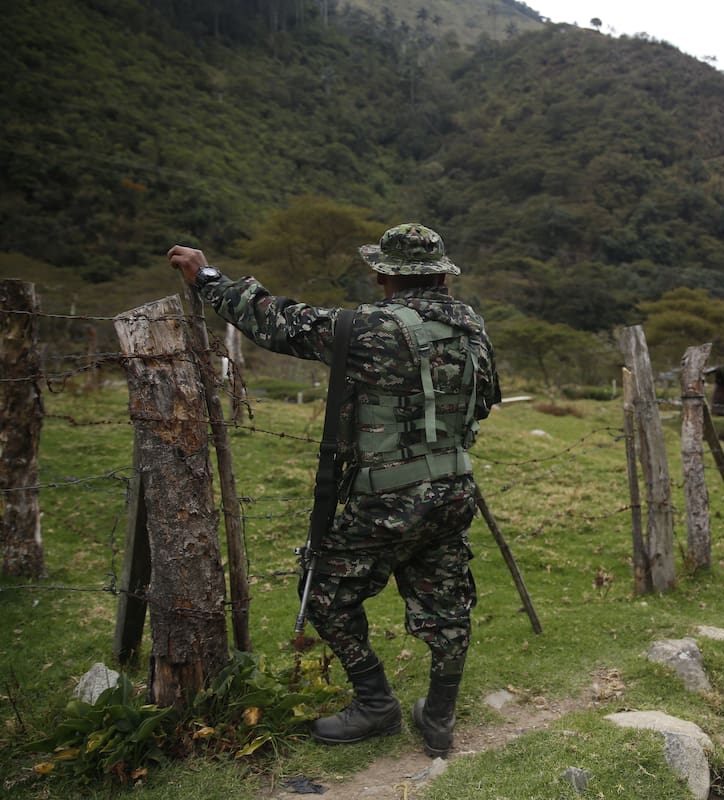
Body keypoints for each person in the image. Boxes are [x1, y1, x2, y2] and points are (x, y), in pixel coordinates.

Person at [168, 223, 501, 756]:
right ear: (442, 276)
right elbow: (483, 403)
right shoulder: (472, 328)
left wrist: (207, 277)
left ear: (383, 277)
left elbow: (275, 321)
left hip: (387, 497)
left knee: (323, 591)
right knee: (447, 602)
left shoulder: (366, 328)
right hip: (454, 489)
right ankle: (439, 717)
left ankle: (376, 704)